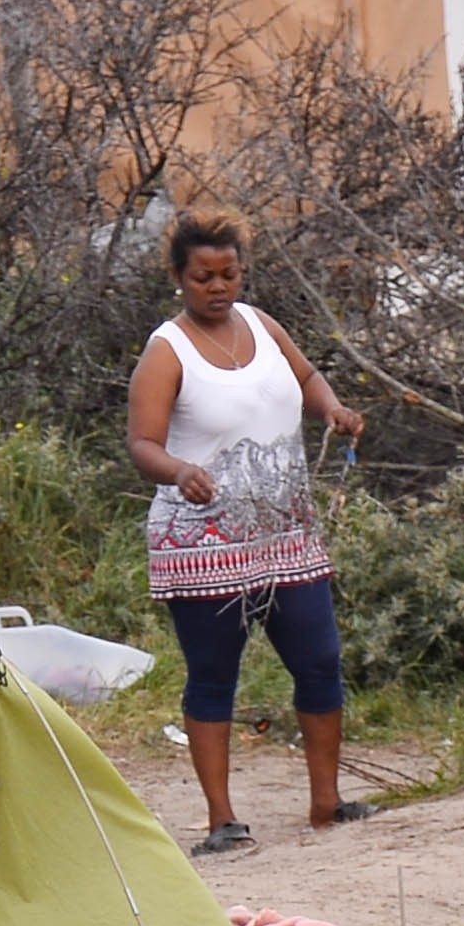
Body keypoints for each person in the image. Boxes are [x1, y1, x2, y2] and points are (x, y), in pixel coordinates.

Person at [126, 207, 369, 854]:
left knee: (318, 661)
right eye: (203, 276)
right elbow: (142, 443)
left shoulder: (263, 327)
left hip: (285, 533)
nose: (218, 286)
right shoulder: (166, 351)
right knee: (213, 678)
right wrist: (179, 471)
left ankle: (326, 801)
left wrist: (333, 409)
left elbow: (305, 376)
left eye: (228, 273)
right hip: (201, 546)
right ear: (178, 277)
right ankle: (221, 820)